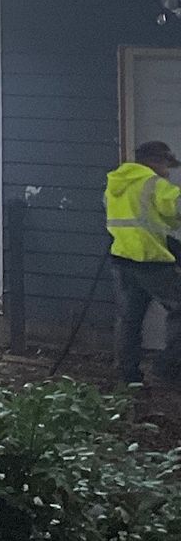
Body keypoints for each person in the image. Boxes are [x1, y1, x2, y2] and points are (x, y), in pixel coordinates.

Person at [105, 140, 181, 387]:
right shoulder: (154, 184)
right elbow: (176, 208)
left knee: (129, 319)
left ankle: (129, 376)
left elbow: (136, 220)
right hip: (151, 262)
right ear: (157, 161)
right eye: (167, 166)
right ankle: (168, 368)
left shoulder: (115, 184)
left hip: (122, 259)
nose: (168, 172)